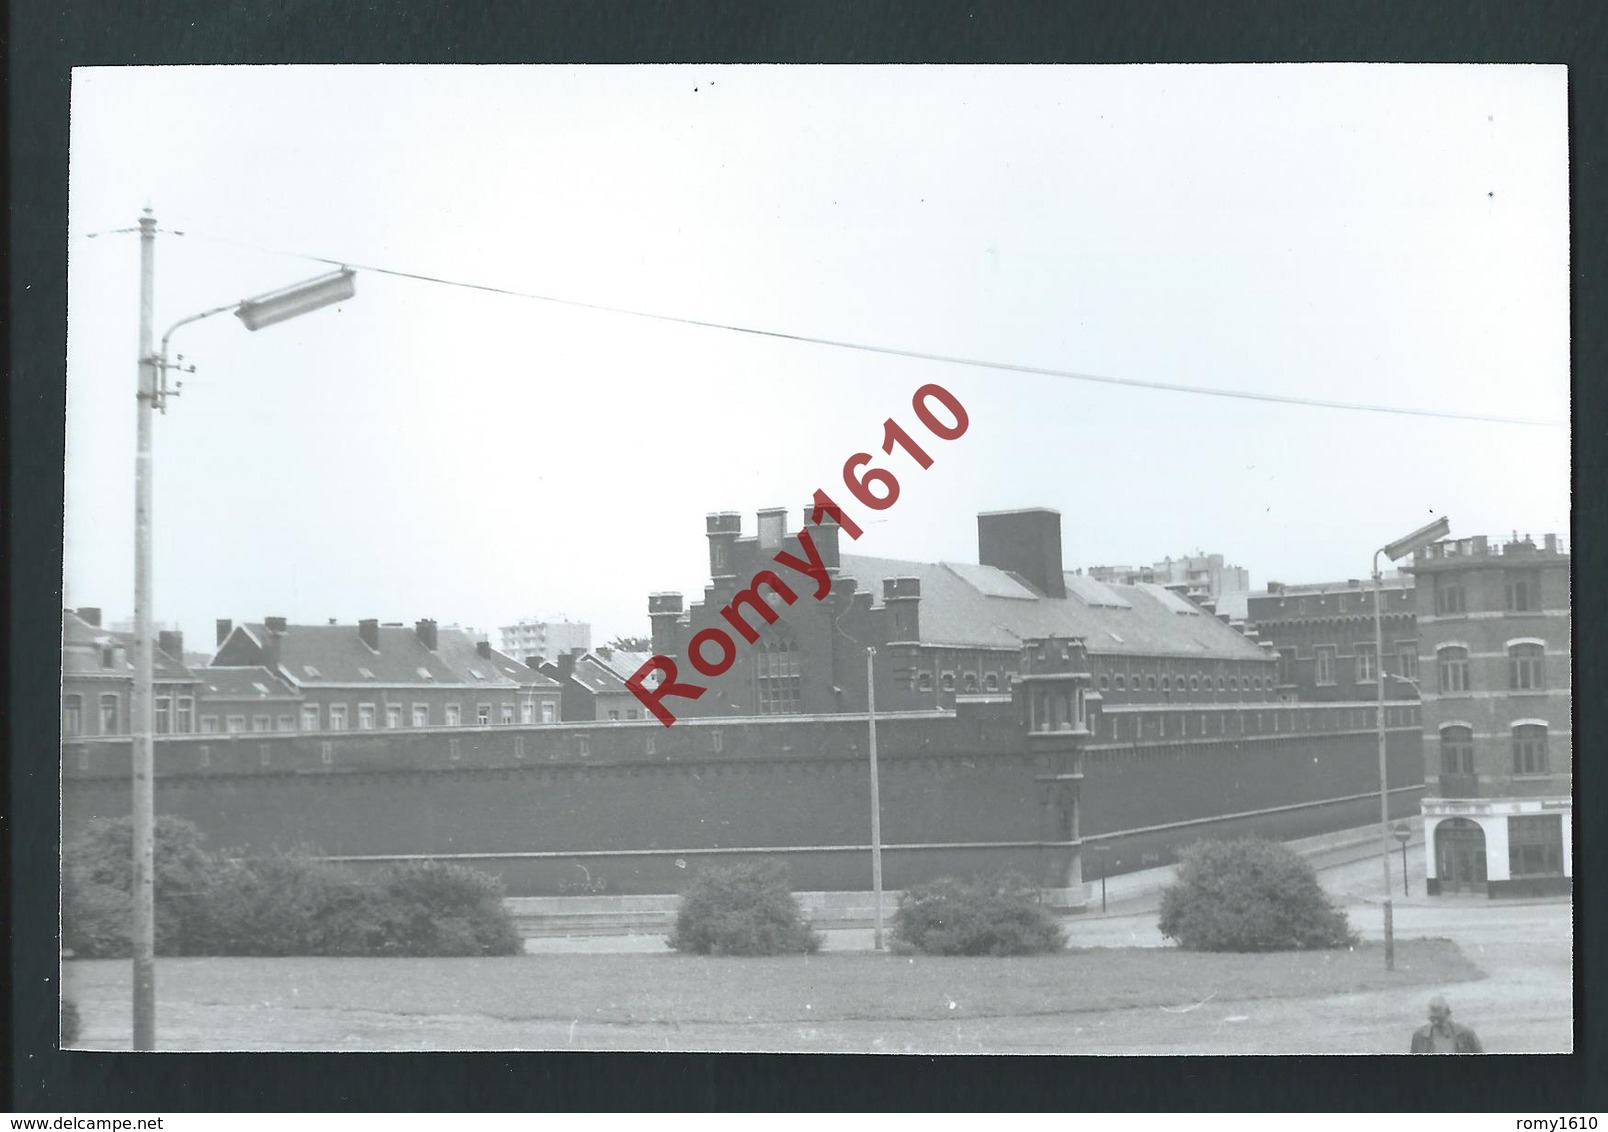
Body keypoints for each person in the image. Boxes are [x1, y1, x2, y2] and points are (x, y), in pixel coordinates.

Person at [1410, 995, 1483, 1053]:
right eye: (1432, 1019)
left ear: (1448, 1014)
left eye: (1439, 1019)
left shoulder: (1466, 1034)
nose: (1436, 1023)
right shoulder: (1419, 1036)